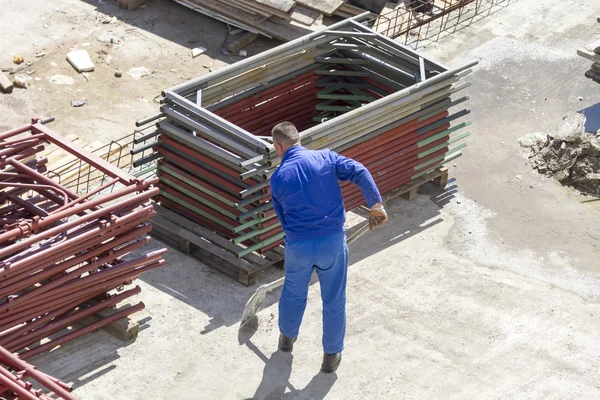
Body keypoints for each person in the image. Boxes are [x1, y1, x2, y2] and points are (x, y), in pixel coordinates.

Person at [269, 122, 388, 374]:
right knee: (334, 299)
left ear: (279, 146)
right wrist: (375, 204)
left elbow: (283, 218)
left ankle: (286, 341)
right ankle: (330, 358)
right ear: (297, 139)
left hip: (298, 244)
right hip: (332, 243)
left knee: (293, 292)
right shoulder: (326, 157)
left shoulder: (278, 178)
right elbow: (359, 170)